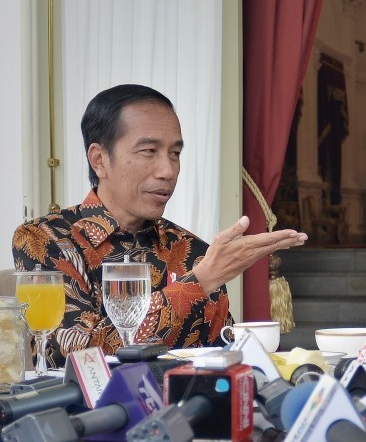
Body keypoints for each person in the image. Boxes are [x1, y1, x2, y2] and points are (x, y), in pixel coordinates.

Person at [12, 84, 308, 367]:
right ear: (100, 160)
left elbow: (222, 352)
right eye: (149, 151)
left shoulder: (191, 249)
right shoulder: (47, 239)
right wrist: (198, 283)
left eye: (175, 154)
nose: (167, 171)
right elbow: (70, 357)